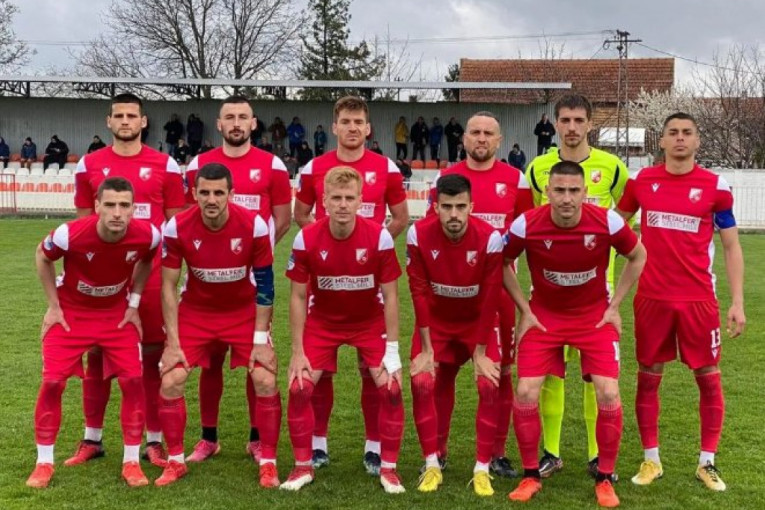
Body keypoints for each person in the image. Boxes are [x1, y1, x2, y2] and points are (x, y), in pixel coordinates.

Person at [504, 160, 646, 507]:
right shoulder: (526, 224)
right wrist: (525, 310)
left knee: (608, 392)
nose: (566, 198)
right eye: (559, 190)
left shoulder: (607, 221)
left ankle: (604, 478)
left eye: (573, 191)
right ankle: (530, 475)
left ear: (584, 192)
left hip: (593, 318)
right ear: (547, 192)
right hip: (544, 319)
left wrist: (614, 307)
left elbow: (638, 256)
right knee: (525, 391)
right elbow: (502, 262)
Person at [617, 112, 745, 492]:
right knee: (648, 376)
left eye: (687, 132)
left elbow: (731, 246)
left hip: (698, 299)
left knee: (708, 377)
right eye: (672, 132)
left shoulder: (716, 187)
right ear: (661, 141)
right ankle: (651, 459)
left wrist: (737, 301)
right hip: (651, 296)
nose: (679, 138)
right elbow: (614, 225)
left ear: (697, 140)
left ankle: (707, 462)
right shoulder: (642, 181)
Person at [294, 95, 409, 475]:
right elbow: (300, 213)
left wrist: (371, 247)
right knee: (321, 369)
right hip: (326, 280)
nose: (353, 128)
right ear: (334, 126)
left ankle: (374, 447)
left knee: (370, 369)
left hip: (369, 279)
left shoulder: (386, 167)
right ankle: (318, 444)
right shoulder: (314, 168)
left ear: (368, 128)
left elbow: (400, 217)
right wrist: (326, 246)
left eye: (359, 122)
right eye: (346, 121)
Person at [70, 92, 186, 469]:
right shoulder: (89, 164)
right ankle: (92, 438)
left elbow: (175, 226)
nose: (125, 121)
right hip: (105, 280)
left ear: (143, 121)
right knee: (96, 355)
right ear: (108, 121)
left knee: (151, 359)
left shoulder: (166, 165)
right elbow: (84, 225)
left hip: (150, 279)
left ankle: (153, 441)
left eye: (131, 116)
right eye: (118, 115)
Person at [26, 177, 160, 489]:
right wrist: (53, 306)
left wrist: (134, 303)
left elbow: (147, 260)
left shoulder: (149, 235)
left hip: (116, 316)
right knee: (52, 382)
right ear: (97, 206)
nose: (117, 212)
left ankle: (131, 462)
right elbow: (42, 256)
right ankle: (43, 463)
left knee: (133, 381)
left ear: (134, 208)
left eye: (124, 205)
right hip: (72, 315)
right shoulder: (69, 234)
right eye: (110, 204)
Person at [281, 166, 405, 493]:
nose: (343, 205)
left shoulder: (378, 236)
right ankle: (302, 466)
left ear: (361, 201)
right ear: (323, 201)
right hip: (323, 322)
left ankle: (388, 469)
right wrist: (297, 351)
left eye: (350, 198)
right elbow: (297, 296)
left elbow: (392, 296)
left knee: (391, 387)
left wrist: (393, 351)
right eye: (336, 198)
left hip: (369, 322)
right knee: (299, 387)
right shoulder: (306, 237)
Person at [525, 94, 630, 480]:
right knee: (550, 373)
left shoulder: (613, 167)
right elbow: (531, 220)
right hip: (550, 291)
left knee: (598, 378)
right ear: (555, 123)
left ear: (590, 123)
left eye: (579, 120)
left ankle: (596, 455)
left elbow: (626, 214)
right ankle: (551, 452)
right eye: (565, 120)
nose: (572, 127)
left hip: (598, 291)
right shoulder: (538, 168)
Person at [155, 163, 279, 487]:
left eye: (219, 192)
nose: (212, 199)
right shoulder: (176, 227)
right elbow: (168, 285)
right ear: (194, 194)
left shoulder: (254, 225)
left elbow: (266, 285)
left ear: (231, 194)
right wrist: (172, 343)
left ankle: (267, 460)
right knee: (171, 379)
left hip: (243, 310)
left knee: (264, 376)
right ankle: (177, 460)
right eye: (205, 192)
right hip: (197, 311)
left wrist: (261, 340)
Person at [183, 96, 292, 464]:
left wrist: (253, 256)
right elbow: (189, 218)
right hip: (207, 282)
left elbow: (283, 219)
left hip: (252, 282)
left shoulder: (272, 165)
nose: (235, 123)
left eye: (242, 117)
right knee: (209, 361)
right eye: (229, 117)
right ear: (219, 124)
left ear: (253, 123)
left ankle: (256, 438)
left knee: (255, 360)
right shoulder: (199, 165)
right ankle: (208, 438)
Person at [426, 111, 533, 479]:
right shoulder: (446, 178)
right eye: (475, 132)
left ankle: (497, 453)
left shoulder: (515, 179)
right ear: (464, 138)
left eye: (489, 133)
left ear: (499, 140)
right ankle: (438, 451)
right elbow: (433, 228)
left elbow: (524, 231)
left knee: (500, 373)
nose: (482, 138)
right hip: (452, 290)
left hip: (499, 290)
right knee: (443, 371)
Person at [408, 174, 504, 496]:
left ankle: (482, 468)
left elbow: (491, 295)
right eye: (447, 206)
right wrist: (426, 348)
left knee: (489, 383)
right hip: (436, 324)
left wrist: (480, 352)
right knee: (424, 381)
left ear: (471, 206)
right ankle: (432, 463)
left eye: (460, 207)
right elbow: (418, 291)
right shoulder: (418, 234)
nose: (454, 214)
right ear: (435, 207)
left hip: (477, 323)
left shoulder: (490, 237)